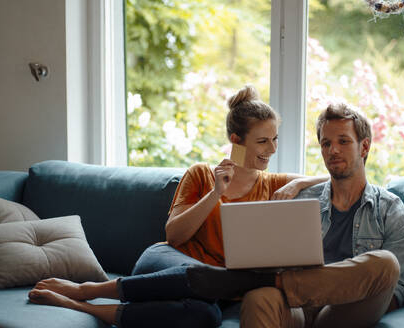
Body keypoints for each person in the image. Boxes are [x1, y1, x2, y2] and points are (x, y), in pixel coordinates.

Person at [27, 85, 327, 328]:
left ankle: (83, 308)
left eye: (275, 139)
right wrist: (214, 194)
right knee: (201, 277)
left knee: (206, 316)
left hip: (215, 289)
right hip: (168, 262)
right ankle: (87, 290)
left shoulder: (272, 183)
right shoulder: (200, 174)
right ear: (236, 140)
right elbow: (174, 236)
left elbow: (331, 177)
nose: (272, 149)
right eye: (263, 141)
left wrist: (297, 183)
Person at [238, 103, 404, 328]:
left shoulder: (390, 209)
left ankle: (280, 284)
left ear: (364, 147)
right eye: (326, 143)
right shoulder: (300, 201)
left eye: (343, 141)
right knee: (259, 299)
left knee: (386, 264)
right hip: (299, 308)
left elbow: (395, 291)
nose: (333, 150)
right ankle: (277, 284)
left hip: (350, 310)